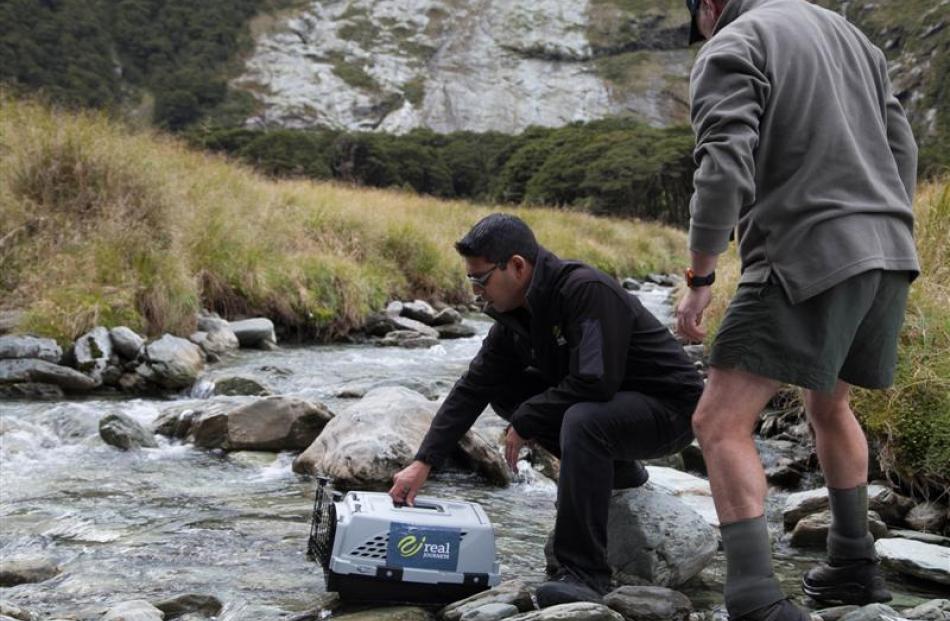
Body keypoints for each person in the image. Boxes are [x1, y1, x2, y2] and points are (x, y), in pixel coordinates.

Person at [677, 0, 919, 619]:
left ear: (708, 7)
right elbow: (902, 147)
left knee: (718, 421)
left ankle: (756, 598)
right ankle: (851, 564)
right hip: (889, 250)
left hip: (804, 253)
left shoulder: (733, 44)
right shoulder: (851, 37)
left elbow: (723, 163)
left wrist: (700, 275)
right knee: (829, 403)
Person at [390, 213, 704, 607]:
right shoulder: (513, 318)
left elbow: (595, 381)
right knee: (503, 388)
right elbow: (473, 387)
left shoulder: (583, 290)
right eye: (471, 279)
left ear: (517, 266)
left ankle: (585, 574)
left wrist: (526, 420)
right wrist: (424, 463)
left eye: (481, 278)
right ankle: (618, 472)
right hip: (616, 411)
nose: (476, 291)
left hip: (670, 409)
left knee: (582, 419)